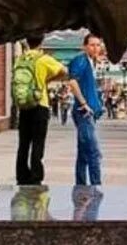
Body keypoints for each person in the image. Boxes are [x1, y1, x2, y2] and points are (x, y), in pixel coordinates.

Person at [14, 34, 68, 185]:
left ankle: (21, 174)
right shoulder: (43, 59)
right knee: (38, 142)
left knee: (23, 143)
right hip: (39, 104)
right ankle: (36, 175)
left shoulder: (21, 59)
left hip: (24, 105)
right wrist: (47, 80)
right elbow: (64, 71)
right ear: (42, 41)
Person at [68, 33, 106, 186]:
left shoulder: (92, 62)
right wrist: (84, 103)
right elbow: (72, 82)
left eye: (98, 45)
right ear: (85, 46)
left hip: (90, 112)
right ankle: (96, 185)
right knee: (93, 152)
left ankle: (81, 184)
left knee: (84, 153)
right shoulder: (80, 61)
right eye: (92, 45)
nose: (95, 48)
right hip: (83, 112)